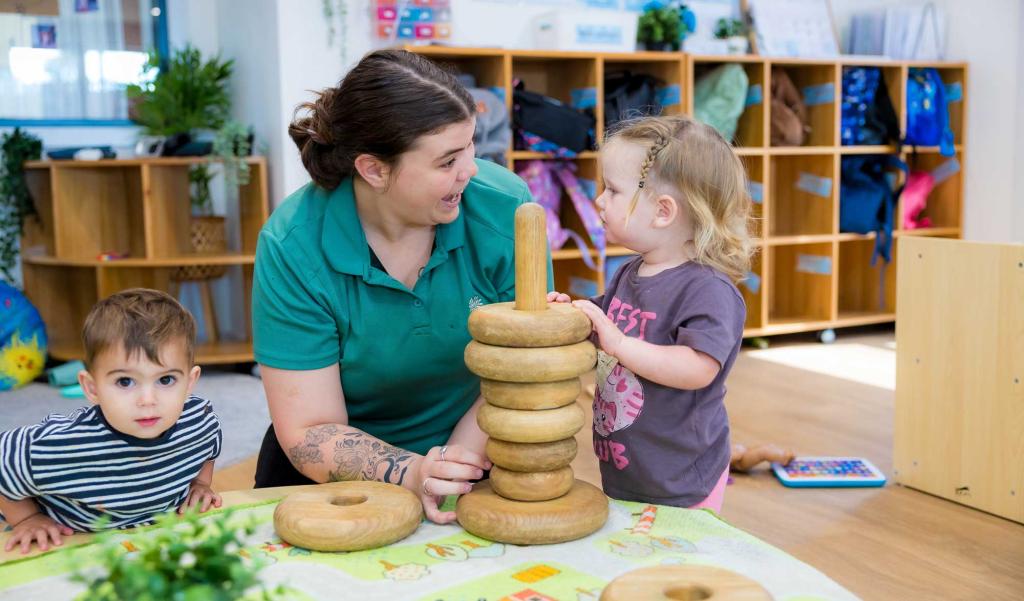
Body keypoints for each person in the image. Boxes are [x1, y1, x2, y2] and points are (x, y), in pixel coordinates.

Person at [252, 49, 545, 523]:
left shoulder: (506, 207)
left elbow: (522, 365)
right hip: (334, 476)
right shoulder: (293, 244)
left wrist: (454, 468)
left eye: (471, 146)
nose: (470, 170)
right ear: (374, 170)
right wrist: (414, 472)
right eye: (447, 161)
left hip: (478, 450)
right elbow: (309, 430)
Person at [550, 115, 752, 511]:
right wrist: (573, 316)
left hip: (681, 480)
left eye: (612, 190)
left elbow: (698, 368)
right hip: (629, 469)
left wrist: (618, 343)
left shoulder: (708, 289)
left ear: (662, 211)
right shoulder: (630, 272)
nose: (599, 200)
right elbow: (605, 325)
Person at [0, 289, 223, 554]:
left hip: (144, 542)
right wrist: (27, 518)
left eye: (166, 380)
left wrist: (200, 484)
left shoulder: (199, 419)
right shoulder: (62, 446)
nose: (147, 400)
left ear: (190, 382)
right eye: (125, 381)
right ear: (92, 388)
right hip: (70, 541)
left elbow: (209, 447)